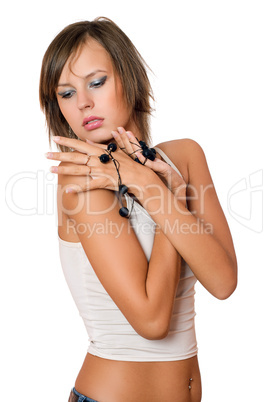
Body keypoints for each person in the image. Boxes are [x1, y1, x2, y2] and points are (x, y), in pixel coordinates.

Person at [40, 17, 237, 402]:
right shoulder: (81, 182)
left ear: (128, 78)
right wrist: (161, 193)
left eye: (96, 82)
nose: (83, 103)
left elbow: (224, 281)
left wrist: (152, 186)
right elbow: (151, 319)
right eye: (66, 93)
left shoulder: (185, 156)